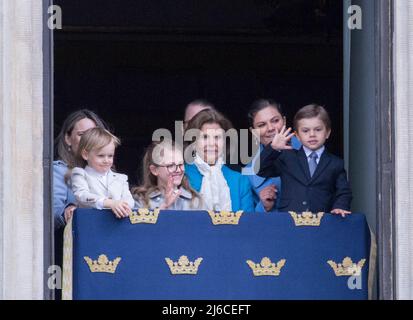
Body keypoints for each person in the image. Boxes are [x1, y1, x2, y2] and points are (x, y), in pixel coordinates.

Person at [257, 104, 352, 216]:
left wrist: (340, 206)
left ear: (327, 132)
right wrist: (273, 148)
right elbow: (261, 169)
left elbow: (343, 192)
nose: (312, 135)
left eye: (318, 130)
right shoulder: (287, 157)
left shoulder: (336, 163)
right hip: (290, 221)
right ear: (297, 135)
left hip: (322, 222)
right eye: (305, 131)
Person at [184, 109, 254, 212]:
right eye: (205, 137)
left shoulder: (240, 181)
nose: (212, 144)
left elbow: (249, 224)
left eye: (217, 137)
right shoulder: (181, 176)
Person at [54, 109, 108, 227]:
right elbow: (52, 213)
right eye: (82, 134)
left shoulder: (108, 173)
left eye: (92, 134)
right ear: (68, 139)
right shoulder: (59, 171)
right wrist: (67, 212)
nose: (87, 140)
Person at [246, 99, 301, 213]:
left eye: (275, 121)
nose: (270, 128)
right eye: (262, 125)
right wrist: (263, 206)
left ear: (284, 121)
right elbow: (248, 223)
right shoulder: (249, 172)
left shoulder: (309, 152)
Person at [70, 127, 134, 218]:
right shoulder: (80, 174)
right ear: (85, 154)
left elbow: (129, 200)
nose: (106, 160)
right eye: (101, 156)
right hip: (91, 224)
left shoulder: (121, 178)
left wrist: (123, 206)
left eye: (110, 156)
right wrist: (109, 203)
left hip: (117, 223)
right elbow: (82, 196)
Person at [132, 140, 202, 210]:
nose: (178, 170)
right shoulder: (141, 200)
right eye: (171, 165)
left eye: (181, 164)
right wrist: (165, 205)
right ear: (154, 170)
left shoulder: (196, 201)